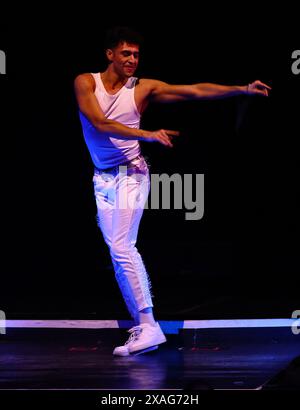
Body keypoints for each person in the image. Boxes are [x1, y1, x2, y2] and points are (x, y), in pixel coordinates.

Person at [74, 26, 271, 356]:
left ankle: (149, 326)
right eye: (126, 53)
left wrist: (241, 89)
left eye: (136, 54)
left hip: (131, 175)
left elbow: (193, 91)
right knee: (117, 251)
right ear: (110, 55)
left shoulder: (143, 88)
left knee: (123, 247)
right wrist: (148, 134)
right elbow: (99, 123)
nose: (133, 59)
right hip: (103, 178)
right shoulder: (85, 82)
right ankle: (143, 324)